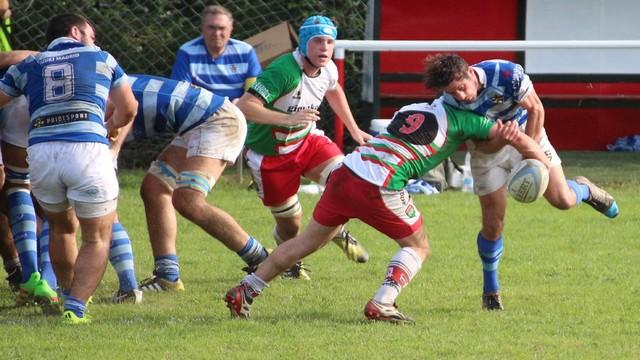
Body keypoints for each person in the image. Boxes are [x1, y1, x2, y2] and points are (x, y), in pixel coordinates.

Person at [224, 97, 551, 323]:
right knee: (418, 246)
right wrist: (540, 163)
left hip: (346, 171)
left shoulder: (413, 108)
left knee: (306, 242)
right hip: (379, 183)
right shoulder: (468, 117)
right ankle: (383, 302)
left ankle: (246, 291)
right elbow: (515, 141)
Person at [422, 54, 619, 310]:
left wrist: (530, 154)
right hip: (488, 151)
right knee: (494, 224)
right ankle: (490, 290)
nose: (461, 96)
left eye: (461, 88)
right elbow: (483, 145)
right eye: (452, 92)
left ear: (470, 73)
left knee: (563, 201)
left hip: (530, 134)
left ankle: (584, 188)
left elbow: (536, 108)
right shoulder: (449, 104)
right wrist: (502, 140)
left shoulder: (505, 74)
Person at [0, 14, 138, 323]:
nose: (95, 39)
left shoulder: (27, 65)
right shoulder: (101, 57)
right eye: (91, 33)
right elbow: (129, 108)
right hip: (86, 150)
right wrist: (111, 125)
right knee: (96, 237)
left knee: (61, 228)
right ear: (75, 31)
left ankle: (65, 292)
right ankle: (76, 307)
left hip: (41, 155)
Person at [235, 15, 372, 279]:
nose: (325, 47)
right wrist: (287, 119)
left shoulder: (328, 68)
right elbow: (245, 106)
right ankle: (290, 260)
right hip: (271, 156)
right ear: (304, 43)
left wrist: (354, 129)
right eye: (318, 41)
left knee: (346, 180)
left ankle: (335, 229)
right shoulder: (284, 71)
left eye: (330, 41)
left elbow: (334, 89)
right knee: (290, 224)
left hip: (307, 141)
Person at [126, 74, 270, 292]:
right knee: (154, 187)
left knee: (188, 199)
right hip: (197, 123)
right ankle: (167, 277)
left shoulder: (94, 95)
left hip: (217, 119)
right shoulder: (97, 82)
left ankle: (263, 259)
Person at [170, 5, 261, 102]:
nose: (217, 33)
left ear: (231, 29)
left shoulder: (245, 51)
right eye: (211, 27)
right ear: (202, 28)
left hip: (238, 109)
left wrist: (241, 104)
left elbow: (253, 93)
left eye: (222, 28)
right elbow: (181, 92)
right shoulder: (187, 52)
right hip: (200, 109)